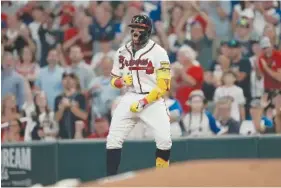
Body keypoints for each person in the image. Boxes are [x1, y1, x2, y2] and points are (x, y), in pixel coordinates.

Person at [106, 15, 172, 176]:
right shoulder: (122, 51)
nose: (135, 31)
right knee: (113, 139)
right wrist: (121, 82)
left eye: (140, 28)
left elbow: (164, 86)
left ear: (148, 31)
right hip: (130, 96)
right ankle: (110, 180)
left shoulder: (159, 52)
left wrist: (143, 102)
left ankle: (161, 179)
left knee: (164, 140)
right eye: (133, 28)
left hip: (152, 98)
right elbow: (113, 80)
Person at [54, 71, 87, 139]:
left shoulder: (81, 97)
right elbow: (56, 119)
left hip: (78, 135)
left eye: (71, 78)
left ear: (76, 81)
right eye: (65, 78)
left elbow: (84, 116)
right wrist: (62, 107)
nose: (68, 80)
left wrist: (70, 105)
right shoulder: (58, 98)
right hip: (63, 136)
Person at [172, 45, 204, 114]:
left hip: (192, 100)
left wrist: (181, 72)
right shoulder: (178, 69)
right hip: (179, 100)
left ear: (187, 56)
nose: (178, 58)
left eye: (181, 56)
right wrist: (173, 76)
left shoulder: (196, 68)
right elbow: (175, 87)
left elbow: (193, 83)